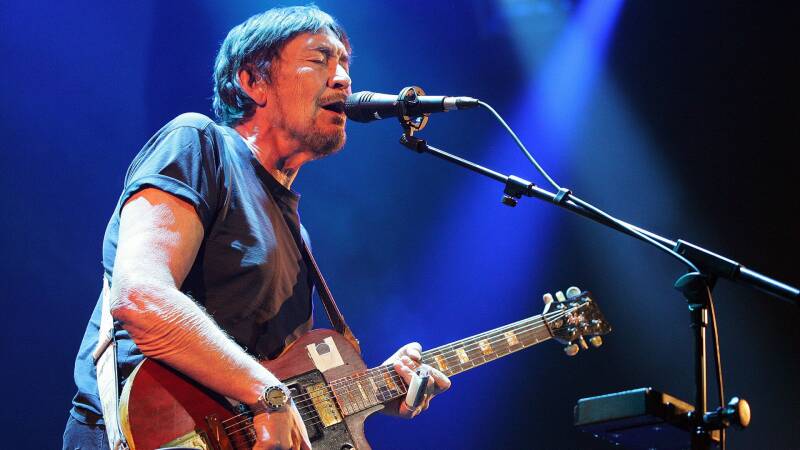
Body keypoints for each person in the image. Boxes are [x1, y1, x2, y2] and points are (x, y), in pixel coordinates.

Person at [63, 6, 450, 450]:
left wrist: (375, 389)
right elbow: (140, 295)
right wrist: (267, 393)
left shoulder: (298, 236)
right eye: (320, 59)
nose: (343, 78)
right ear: (252, 81)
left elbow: (286, 381)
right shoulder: (198, 144)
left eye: (345, 64)